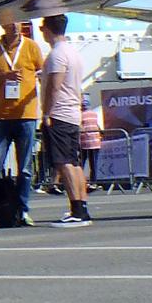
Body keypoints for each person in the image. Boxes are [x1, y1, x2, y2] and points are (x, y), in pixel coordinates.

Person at [0, 16, 46, 225]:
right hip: (1, 116)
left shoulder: (31, 47)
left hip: (26, 114)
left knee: (25, 168)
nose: (16, 26)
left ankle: (23, 211)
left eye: (19, 22)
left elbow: (42, 72)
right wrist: (4, 76)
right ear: (4, 25)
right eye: (12, 22)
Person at [39, 14, 92, 226]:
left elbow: (55, 85)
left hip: (59, 113)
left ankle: (76, 209)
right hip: (72, 113)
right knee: (74, 162)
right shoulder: (73, 52)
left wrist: (46, 112)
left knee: (64, 162)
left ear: (47, 29)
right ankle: (82, 207)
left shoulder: (57, 55)